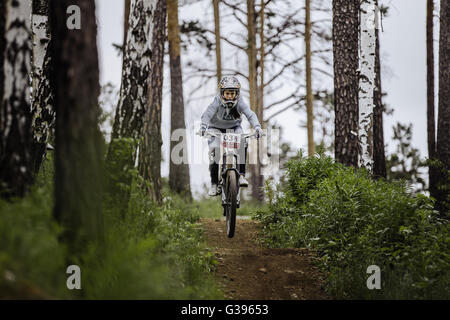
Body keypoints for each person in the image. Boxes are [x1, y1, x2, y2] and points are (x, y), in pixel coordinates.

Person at [200, 76, 262, 196]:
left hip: (234, 128)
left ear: (237, 94)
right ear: (222, 93)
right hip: (215, 128)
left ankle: (241, 176)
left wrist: (257, 127)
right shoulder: (217, 101)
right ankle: (213, 184)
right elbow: (207, 114)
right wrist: (203, 126)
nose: (230, 96)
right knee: (214, 150)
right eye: (227, 93)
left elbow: (250, 114)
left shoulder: (240, 102)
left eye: (232, 93)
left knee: (243, 141)